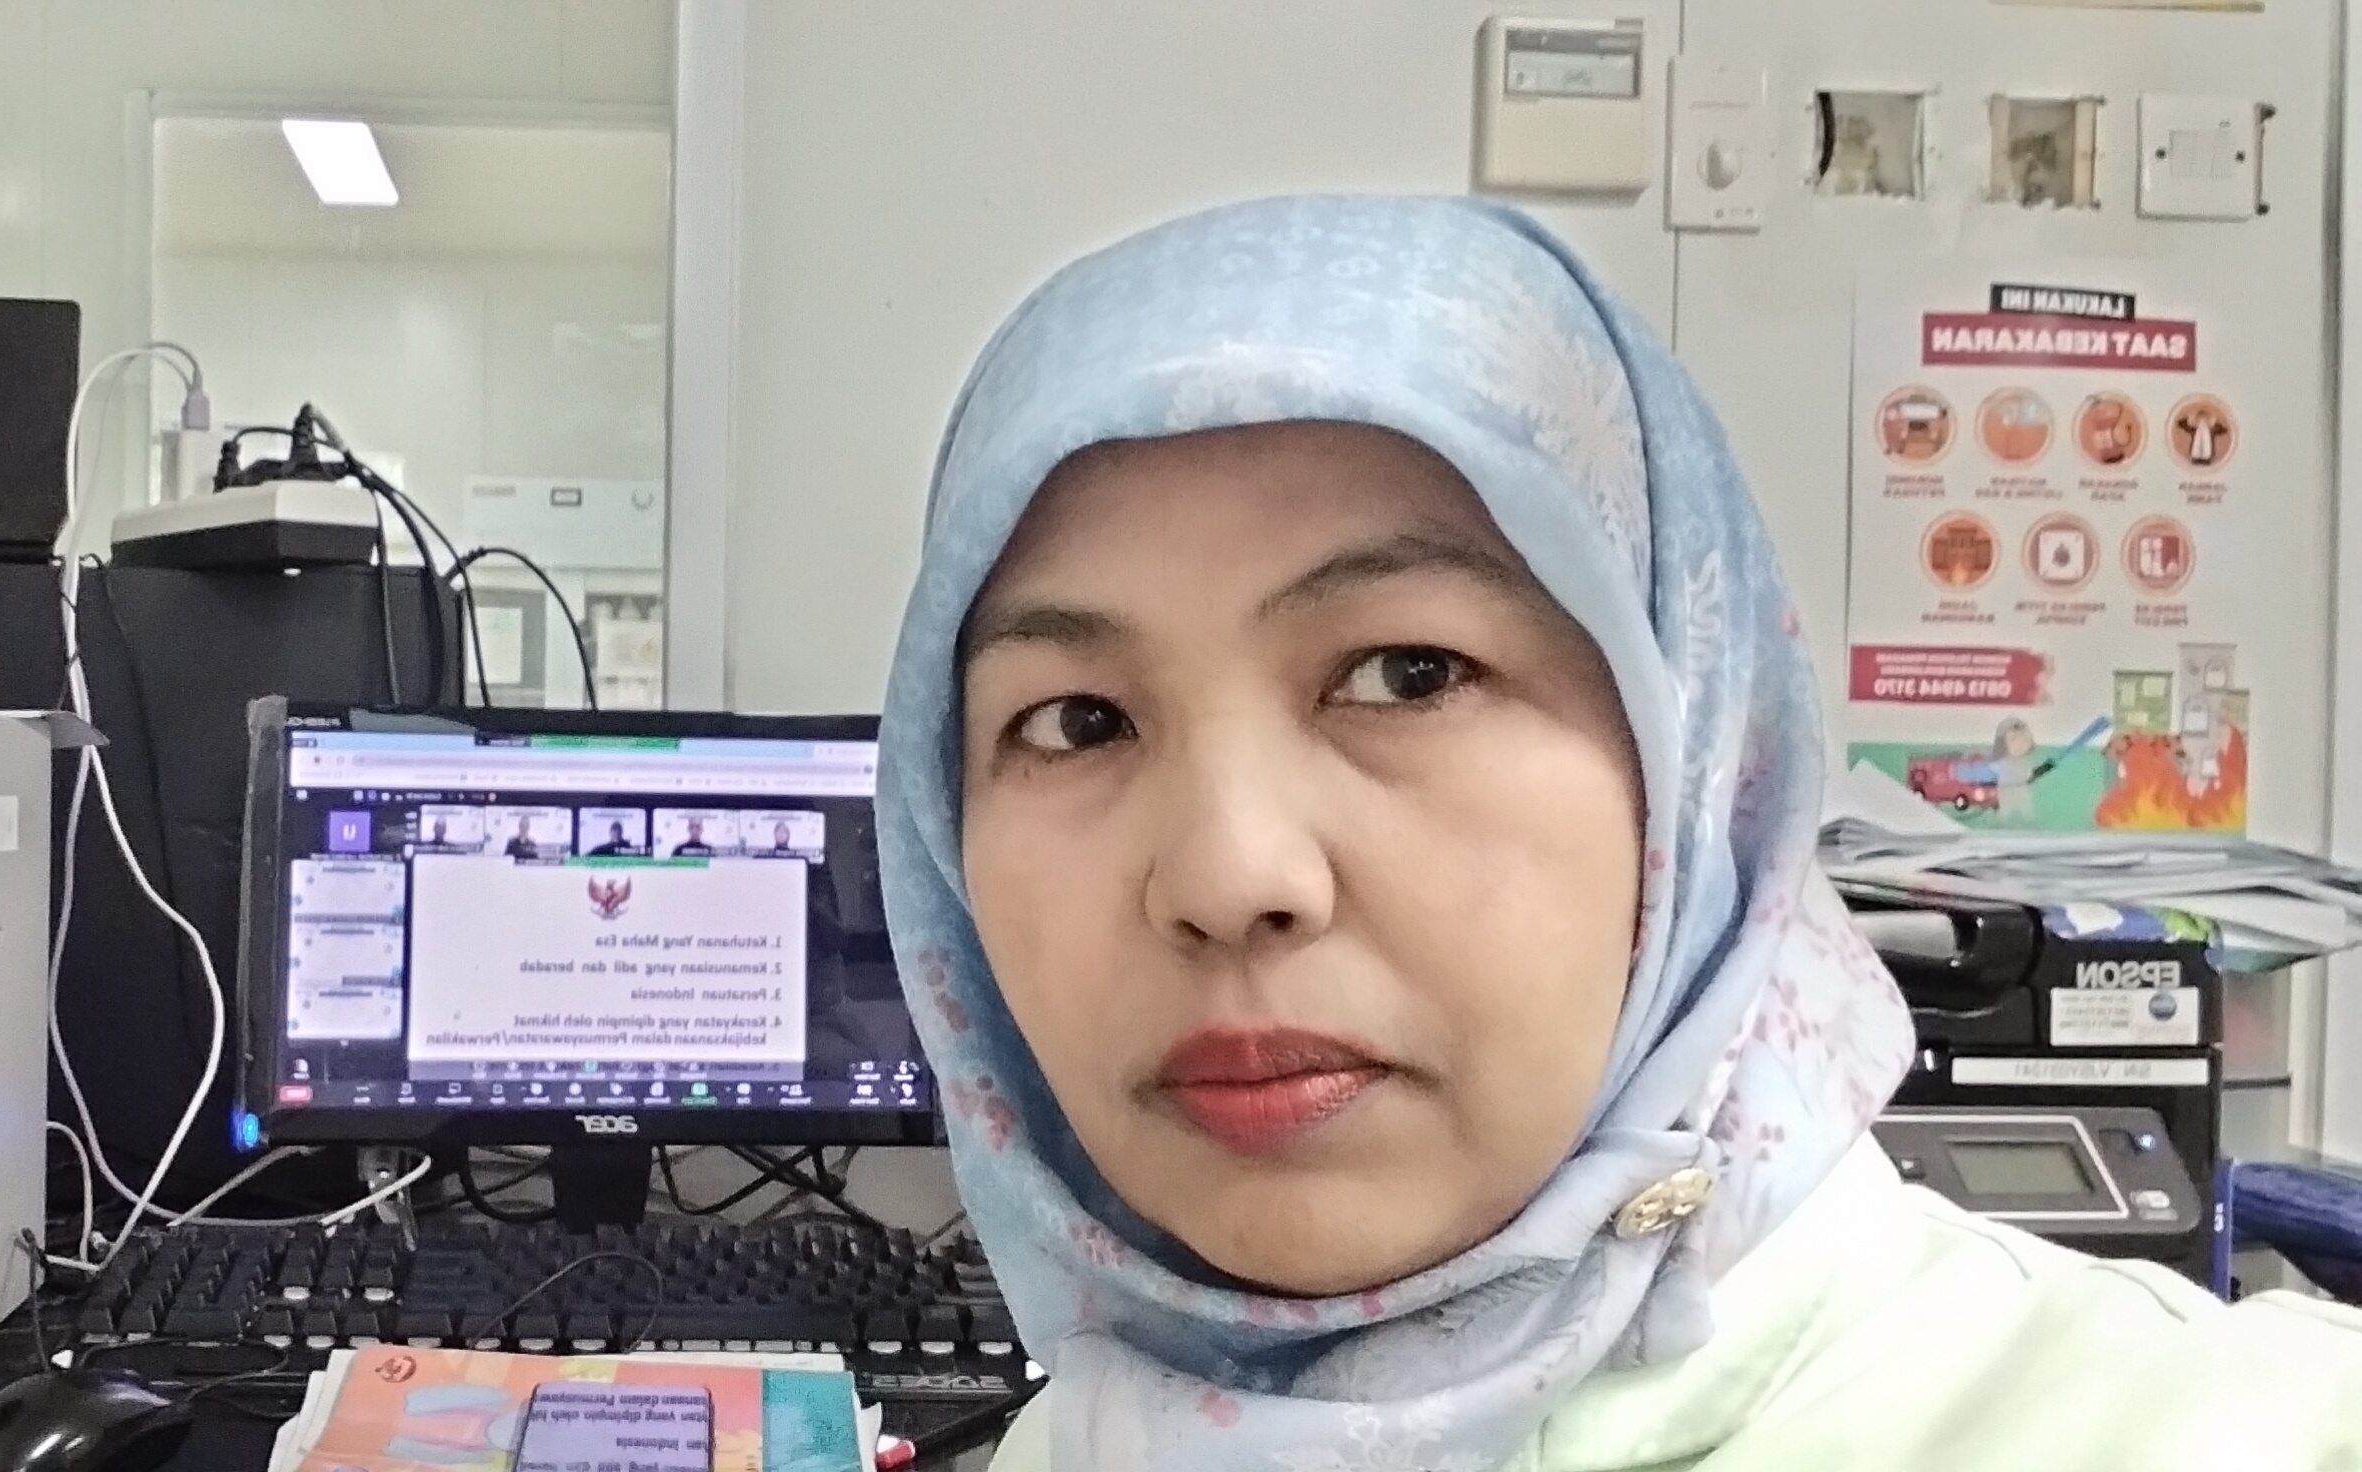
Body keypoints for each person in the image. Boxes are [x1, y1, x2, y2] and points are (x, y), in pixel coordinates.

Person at [875, 196, 2362, 1470]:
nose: (1229, 876)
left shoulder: (2219, 1432)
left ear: (1694, 767)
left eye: (1409, 674)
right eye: (1075, 720)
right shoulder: (1077, 1444)